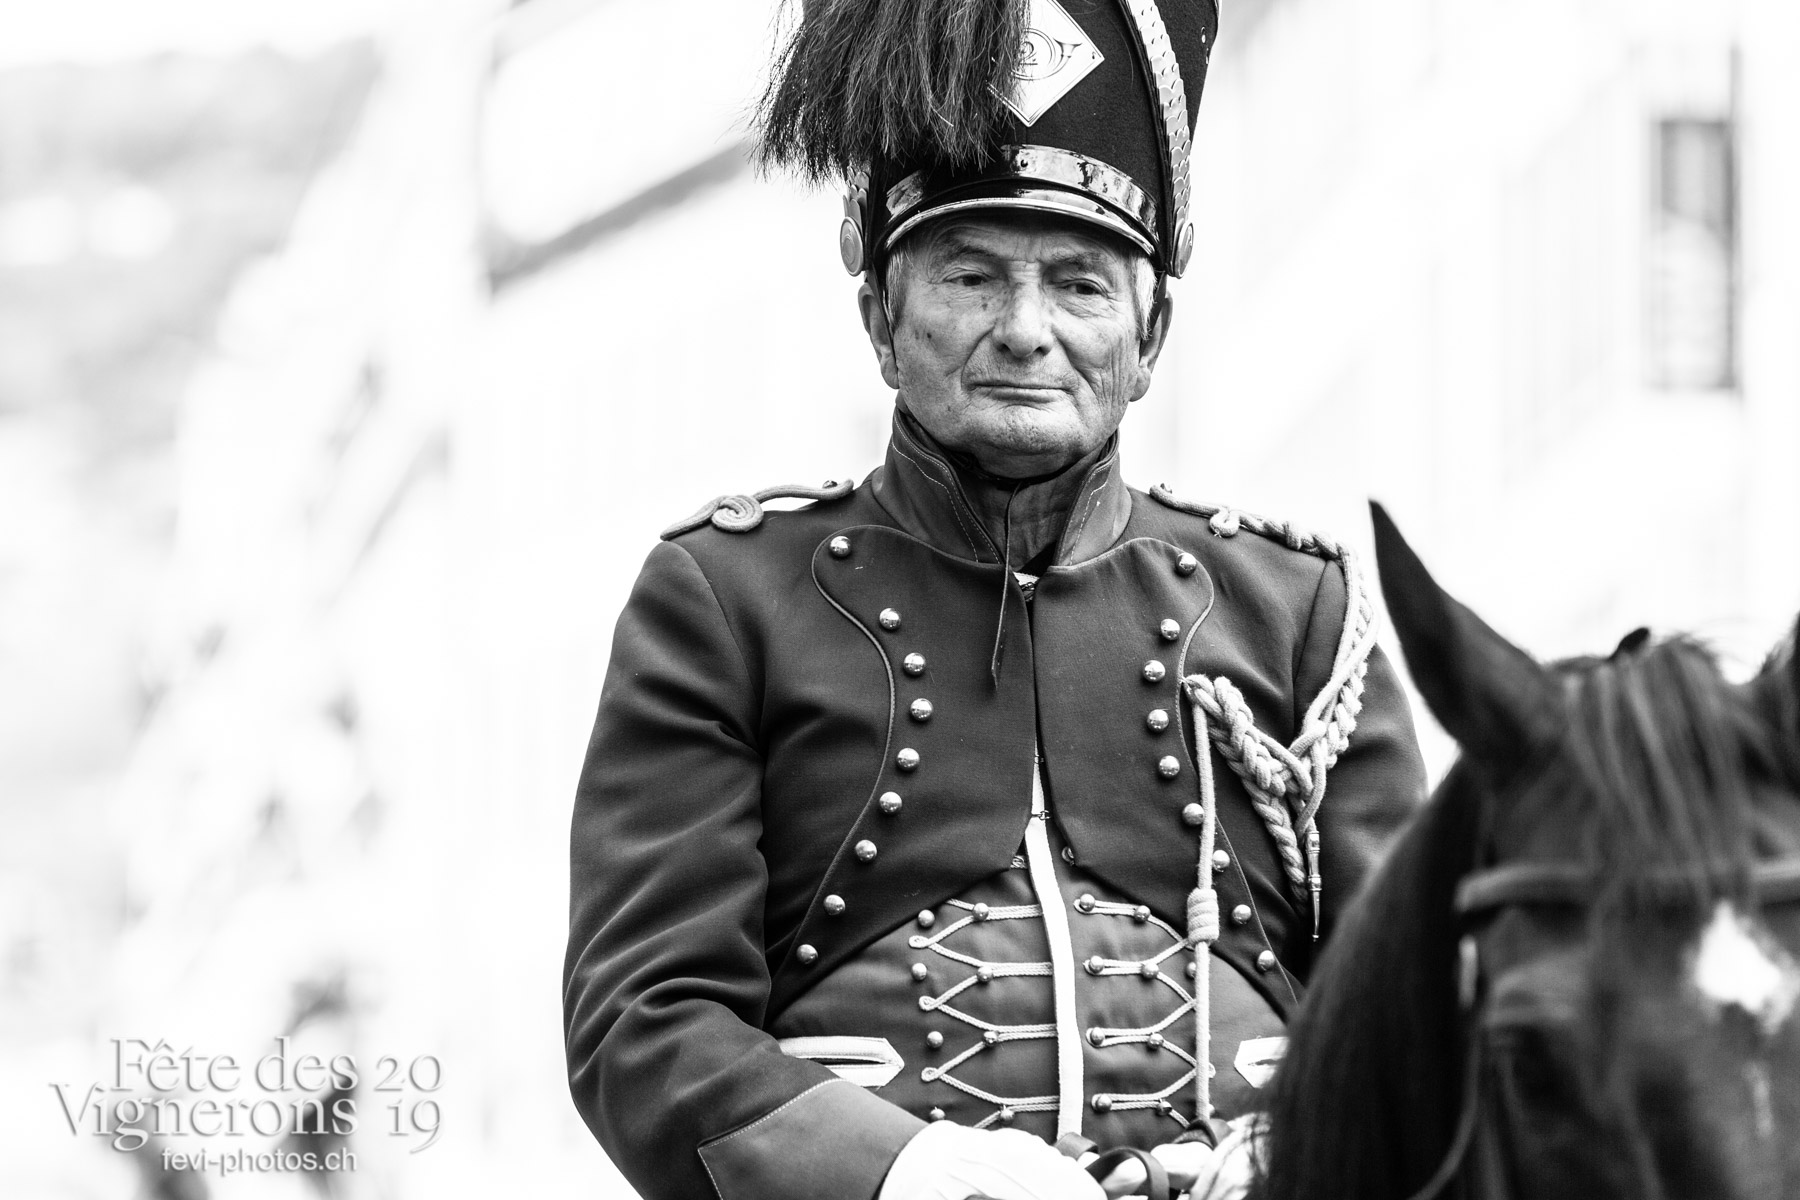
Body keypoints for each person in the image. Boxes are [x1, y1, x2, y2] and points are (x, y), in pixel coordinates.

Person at [564, 1, 1427, 1197]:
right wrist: (915, 1173)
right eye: (971, 276)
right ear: (879, 316)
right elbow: (646, 1022)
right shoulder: (724, 600)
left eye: (1080, 285)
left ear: (1151, 335)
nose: (1026, 330)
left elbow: (1430, 1017)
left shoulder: (1300, 615)